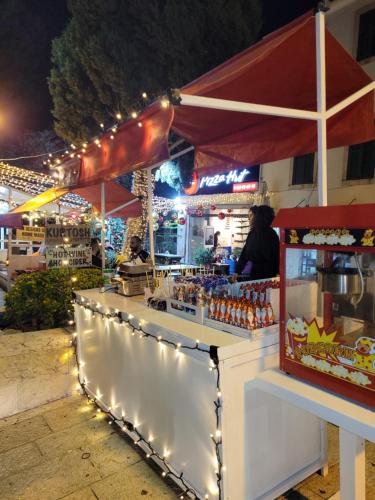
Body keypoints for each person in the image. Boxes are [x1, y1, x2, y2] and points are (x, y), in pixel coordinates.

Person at [235, 205, 279, 280]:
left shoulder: (270, 234)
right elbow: (244, 254)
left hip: (263, 275)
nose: (249, 218)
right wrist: (237, 271)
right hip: (256, 274)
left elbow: (276, 257)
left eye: (252, 216)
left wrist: (238, 270)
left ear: (258, 217)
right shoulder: (254, 233)